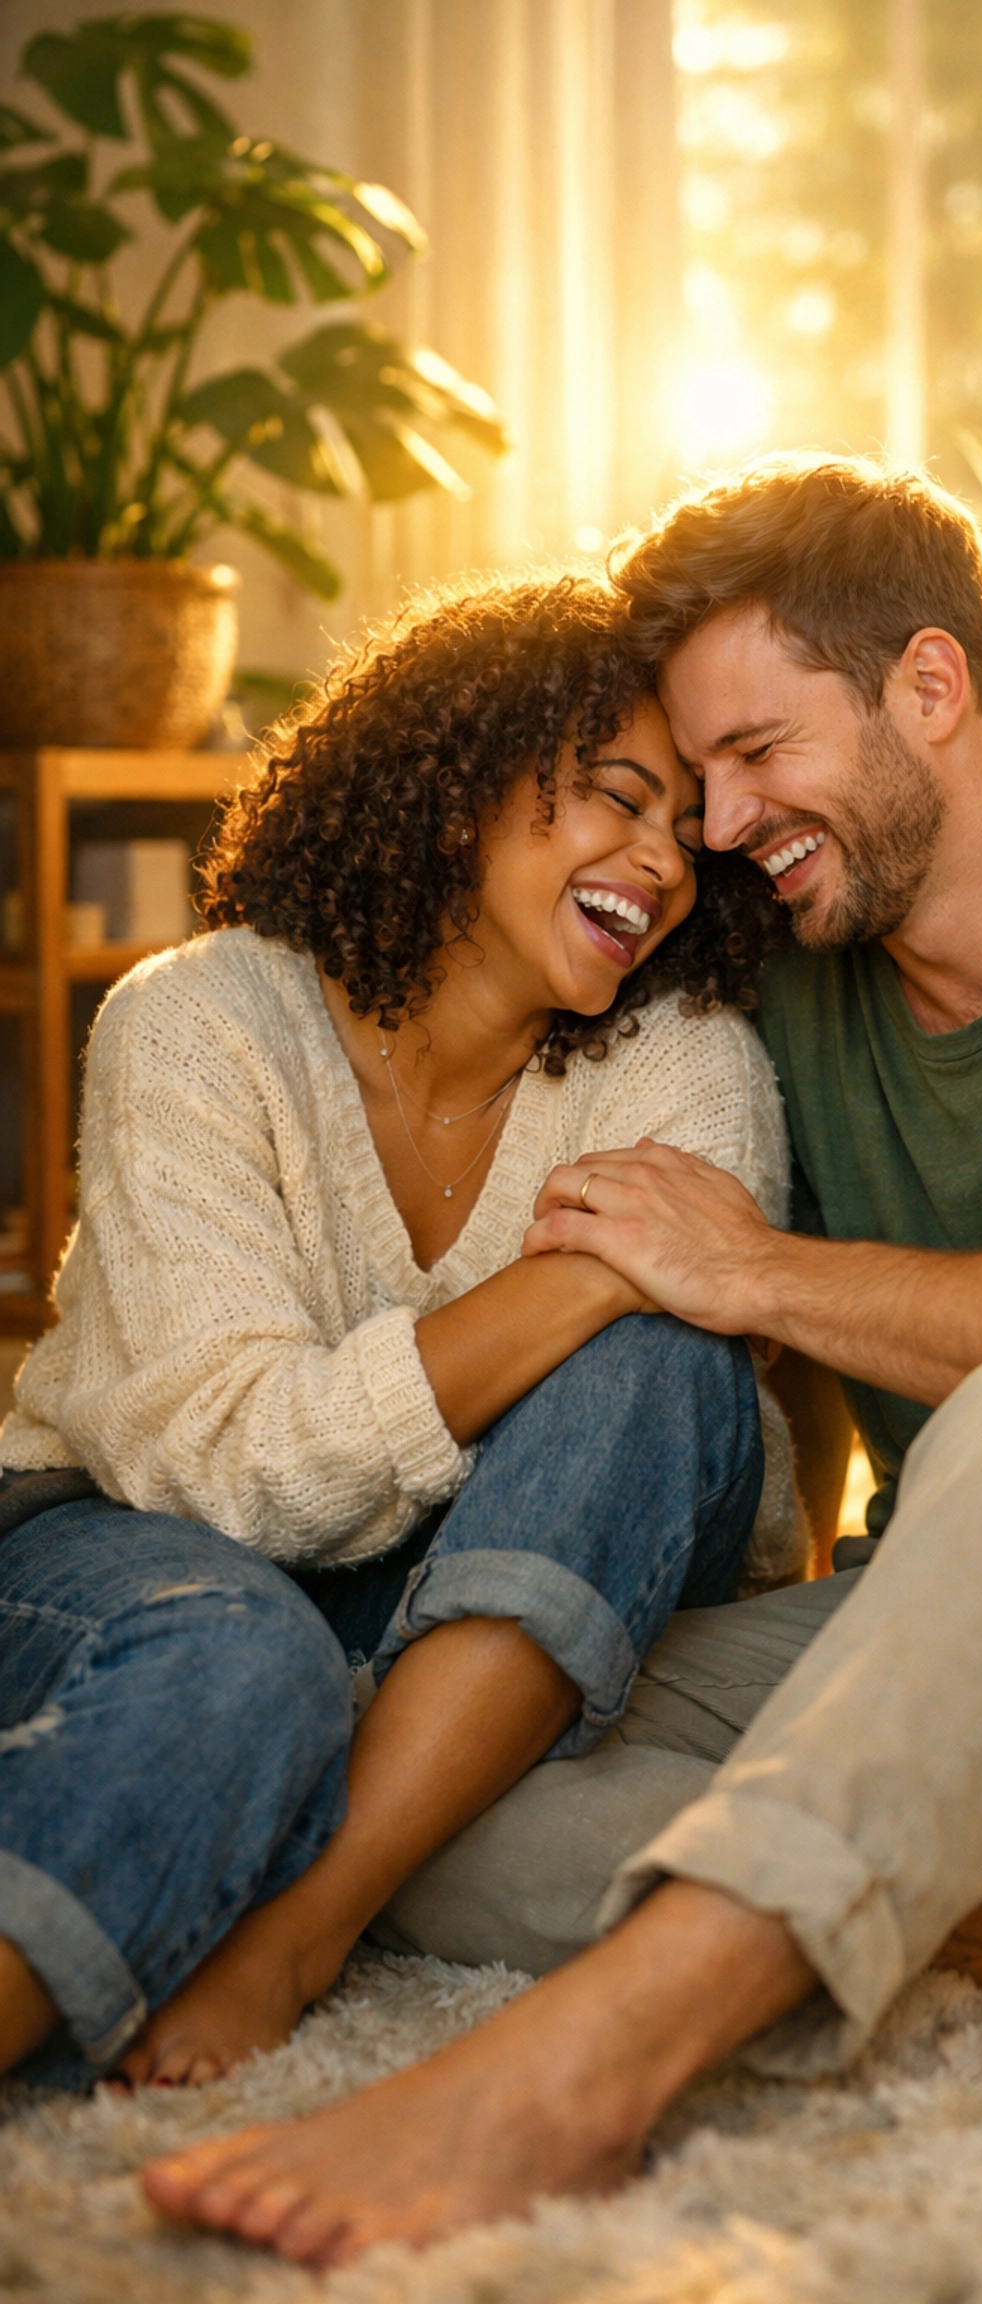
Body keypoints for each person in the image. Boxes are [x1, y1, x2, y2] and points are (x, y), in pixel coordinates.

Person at [144, 458, 982, 2269]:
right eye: (696, 776)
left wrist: (764, 1271)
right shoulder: (800, 985)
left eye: (756, 755)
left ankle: (585, 2070)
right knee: (454, 1761)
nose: (719, 825)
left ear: (932, 690)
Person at [0, 572, 798, 2094]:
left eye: (686, 838)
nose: (663, 864)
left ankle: (307, 1911)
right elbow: (233, 1465)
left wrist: (646, 1297)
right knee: (249, 1657)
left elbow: (671, 1417)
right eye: (621, 799)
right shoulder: (201, 1022)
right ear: (456, 780)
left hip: (492, 1596)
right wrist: (594, 1273)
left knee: (666, 1363)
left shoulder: (686, 1068)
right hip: (135, 1542)